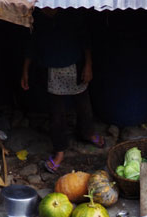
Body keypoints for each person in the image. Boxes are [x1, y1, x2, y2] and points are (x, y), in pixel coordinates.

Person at [20, 8, 104, 174]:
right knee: (56, 114)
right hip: (51, 69)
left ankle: (87, 132)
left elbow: (85, 40)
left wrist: (88, 65)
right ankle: (60, 151)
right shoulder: (35, 15)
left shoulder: (70, 10)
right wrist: (25, 71)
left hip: (74, 64)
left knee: (84, 105)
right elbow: (31, 46)